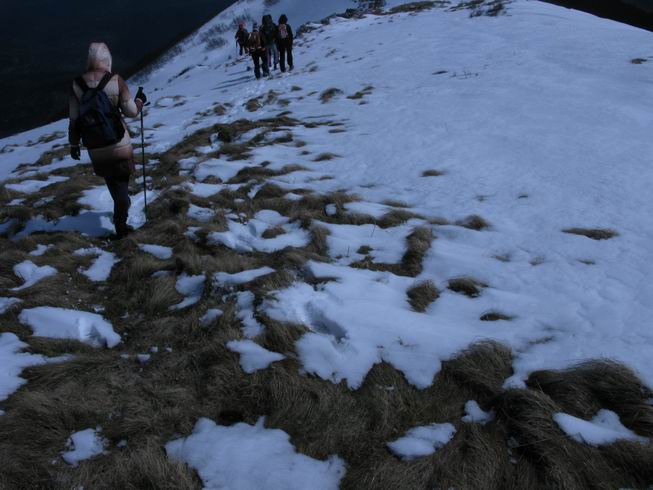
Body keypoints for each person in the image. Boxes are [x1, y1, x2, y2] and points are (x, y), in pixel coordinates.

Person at [68, 42, 146, 239]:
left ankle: (121, 210)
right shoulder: (115, 80)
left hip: (95, 146)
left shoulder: (77, 85)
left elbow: (74, 120)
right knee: (122, 186)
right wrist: (140, 101)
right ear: (106, 59)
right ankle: (121, 224)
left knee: (112, 181)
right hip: (118, 143)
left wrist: (74, 144)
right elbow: (131, 112)